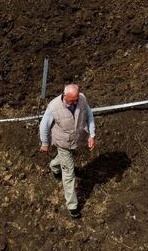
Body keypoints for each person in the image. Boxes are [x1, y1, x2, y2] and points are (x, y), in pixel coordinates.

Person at [39, 83, 96, 219]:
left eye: (76, 99)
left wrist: (92, 135)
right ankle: (72, 206)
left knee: (64, 160)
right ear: (65, 96)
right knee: (69, 173)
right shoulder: (53, 107)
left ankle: (53, 166)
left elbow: (89, 115)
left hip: (76, 140)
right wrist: (45, 143)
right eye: (72, 100)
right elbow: (44, 125)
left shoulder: (82, 99)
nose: (75, 102)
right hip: (62, 142)